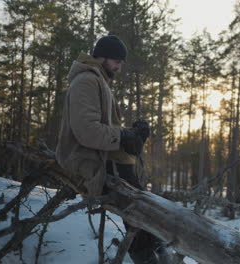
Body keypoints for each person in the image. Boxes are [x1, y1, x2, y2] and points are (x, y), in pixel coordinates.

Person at [56, 35, 164, 264]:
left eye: (121, 62)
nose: (119, 66)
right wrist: (122, 136)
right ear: (101, 57)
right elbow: (86, 131)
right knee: (137, 207)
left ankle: (154, 248)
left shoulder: (98, 81)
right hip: (86, 162)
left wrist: (132, 134)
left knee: (143, 206)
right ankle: (148, 256)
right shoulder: (86, 81)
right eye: (116, 60)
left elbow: (106, 130)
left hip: (100, 158)